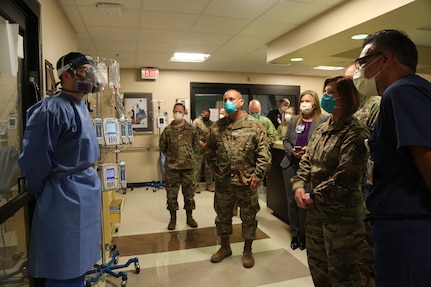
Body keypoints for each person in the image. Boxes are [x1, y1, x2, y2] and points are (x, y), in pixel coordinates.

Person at [354, 29, 431, 287]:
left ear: (385, 58)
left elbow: (427, 157)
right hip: (401, 224)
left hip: (407, 229)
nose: (360, 71)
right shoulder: (412, 91)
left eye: (364, 63)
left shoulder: (402, 92)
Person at [18, 52, 102, 287]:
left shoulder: (81, 106)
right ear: (66, 75)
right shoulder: (50, 110)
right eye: (86, 70)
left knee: (81, 258)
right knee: (64, 264)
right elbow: (34, 160)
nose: (92, 77)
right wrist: (43, 191)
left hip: (85, 190)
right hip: (62, 196)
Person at [291, 76, 370, 286]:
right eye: (324, 92)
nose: (325, 97)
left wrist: (314, 196)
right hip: (317, 216)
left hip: (342, 219)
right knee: (320, 271)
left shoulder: (355, 131)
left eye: (330, 93)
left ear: (345, 97)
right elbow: (307, 160)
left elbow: (347, 176)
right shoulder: (322, 128)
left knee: (344, 277)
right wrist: (299, 184)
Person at [206, 89, 271, 268]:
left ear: (241, 102)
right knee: (222, 217)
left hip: (246, 183)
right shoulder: (217, 127)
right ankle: (225, 247)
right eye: (225, 99)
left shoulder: (254, 125)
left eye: (232, 99)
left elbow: (264, 154)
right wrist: (213, 168)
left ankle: (247, 250)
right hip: (224, 183)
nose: (228, 101)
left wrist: (258, 175)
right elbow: (209, 150)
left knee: (248, 218)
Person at [346, 63, 381, 286]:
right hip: (348, 181)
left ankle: (365, 273)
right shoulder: (351, 106)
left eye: (353, 78)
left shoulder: (375, 104)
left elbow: (377, 146)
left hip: (366, 181)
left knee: (366, 229)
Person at [280, 90, 327, 251]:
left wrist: (310, 149)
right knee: (292, 200)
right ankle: (295, 235)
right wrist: (291, 150)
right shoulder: (294, 120)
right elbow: (286, 140)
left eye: (308, 100)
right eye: (302, 101)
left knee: (305, 200)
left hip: (309, 167)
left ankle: (306, 235)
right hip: (291, 164)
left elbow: (324, 142)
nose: (304, 104)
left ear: (315, 103)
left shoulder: (324, 120)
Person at [159, 102, 199, 230]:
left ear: (184, 112)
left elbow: (196, 146)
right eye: (176, 111)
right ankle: (173, 219)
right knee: (171, 195)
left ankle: (190, 217)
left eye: (180, 111)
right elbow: (163, 147)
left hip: (188, 168)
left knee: (189, 195)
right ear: (173, 112)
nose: (178, 114)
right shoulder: (167, 130)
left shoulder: (191, 129)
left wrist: (188, 156)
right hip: (172, 168)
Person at [192, 107, 214, 193]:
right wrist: (201, 143)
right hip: (198, 148)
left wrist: (209, 143)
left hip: (208, 147)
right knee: (197, 167)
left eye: (208, 115)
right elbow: (193, 135)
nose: (207, 117)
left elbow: (213, 134)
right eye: (206, 115)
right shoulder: (196, 122)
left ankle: (209, 184)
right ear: (202, 114)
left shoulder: (211, 123)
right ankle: (195, 185)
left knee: (208, 167)